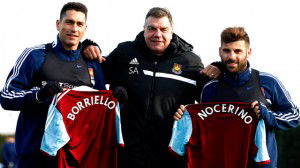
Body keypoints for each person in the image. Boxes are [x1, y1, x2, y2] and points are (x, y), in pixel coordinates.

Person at [84, 7, 221, 168]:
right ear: (144, 30)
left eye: (163, 29)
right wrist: (86, 46)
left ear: (171, 32)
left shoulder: (190, 61)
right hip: (126, 153)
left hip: (170, 155)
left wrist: (221, 68)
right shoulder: (124, 52)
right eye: (151, 29)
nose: (157, 34)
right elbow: (93, 73)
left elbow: (211, 100)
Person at [174, 27, 300, 168]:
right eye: (227, 50)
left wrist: (267, 115)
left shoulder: (268, 82)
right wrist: (184, 117)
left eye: (238, 51)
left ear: (249, 52)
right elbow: (202, 130)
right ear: (220, 51)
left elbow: (294, 116)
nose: (232, 56)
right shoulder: (210, 88)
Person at [0, 2, 105, 167]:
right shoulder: (35, 55)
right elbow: (6, 97)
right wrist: (38, 95)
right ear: (58, 24)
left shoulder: (92, 63)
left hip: (76, 157)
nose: (74, 29)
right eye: (69, 22)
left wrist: (118, 97)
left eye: (79, 24)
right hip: (33, 156)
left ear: (85, 28)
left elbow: (100, 110)